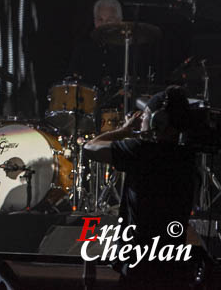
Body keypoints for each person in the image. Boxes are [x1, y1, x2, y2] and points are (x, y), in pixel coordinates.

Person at [83, 85, 199, 288]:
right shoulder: (187, 157)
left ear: (159, 122)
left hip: (140, 264)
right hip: (172, 263)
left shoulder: (140, 152)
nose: (141, 121)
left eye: (145, 116)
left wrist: (123, 130)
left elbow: (90, 147)